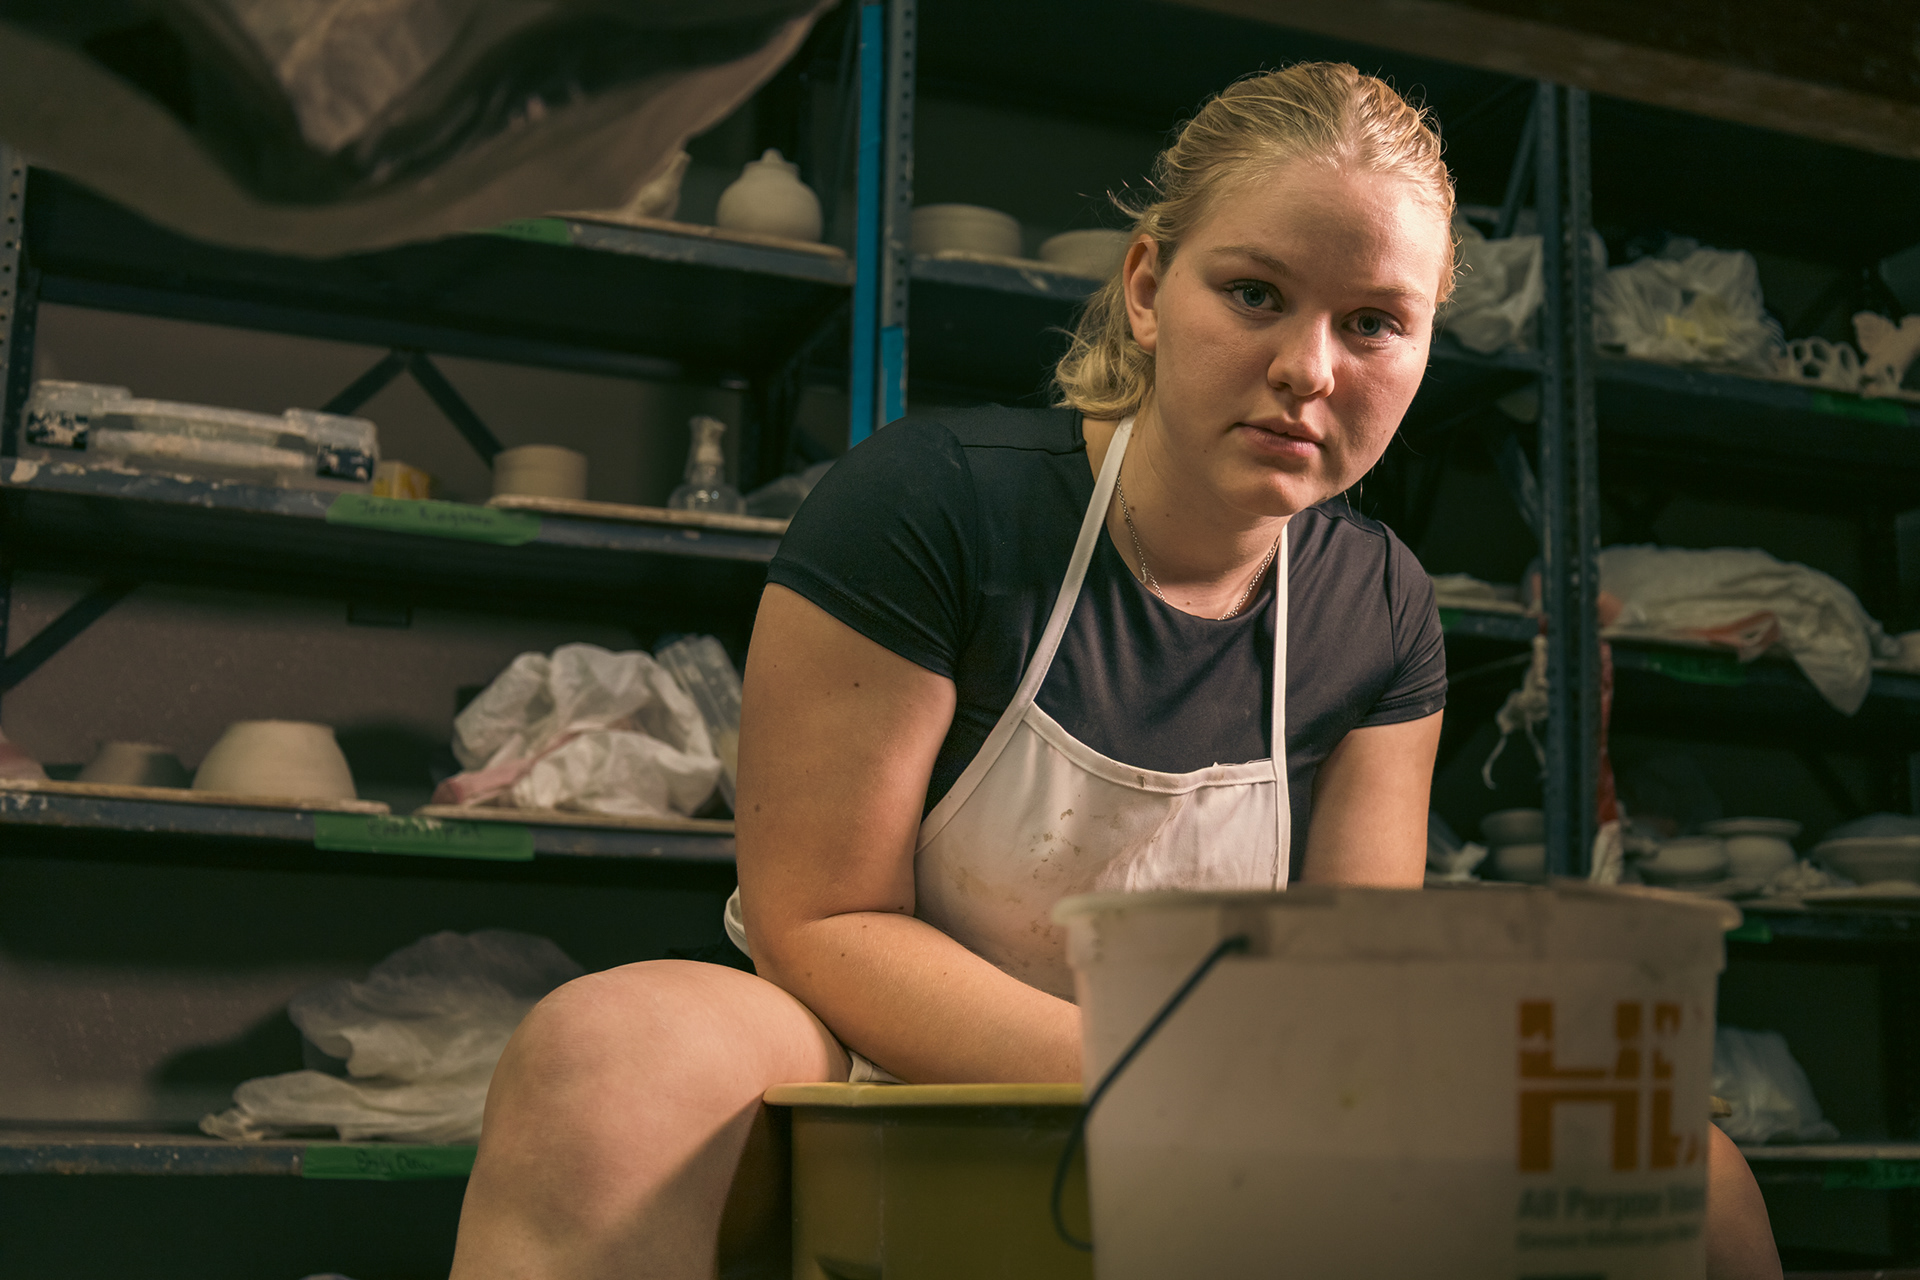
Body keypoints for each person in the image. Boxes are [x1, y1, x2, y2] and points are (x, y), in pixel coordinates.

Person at [450, 62, 1780, 1280]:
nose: (1305, 368)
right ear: (1149, 287)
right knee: (602, 1062)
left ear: (1426, 347)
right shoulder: (929, 507)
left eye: (1375, 321)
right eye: (1254, 293)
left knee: (1687, 1177)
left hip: (1211, 1076)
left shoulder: (1382, 609)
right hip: (857, 1041)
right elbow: (823, 923)